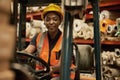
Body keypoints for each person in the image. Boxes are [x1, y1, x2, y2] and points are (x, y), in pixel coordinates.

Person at [22, 3, 63, 77]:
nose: (51, 22)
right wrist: (19, 54)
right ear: (44, 22)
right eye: (48, 19)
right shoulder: (39, 37)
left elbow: (63, 64)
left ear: (60, 21)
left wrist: (51, 69)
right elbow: (28, 51)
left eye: (55, 19)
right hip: (42, 74)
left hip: (60, 75)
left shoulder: (66, 40)